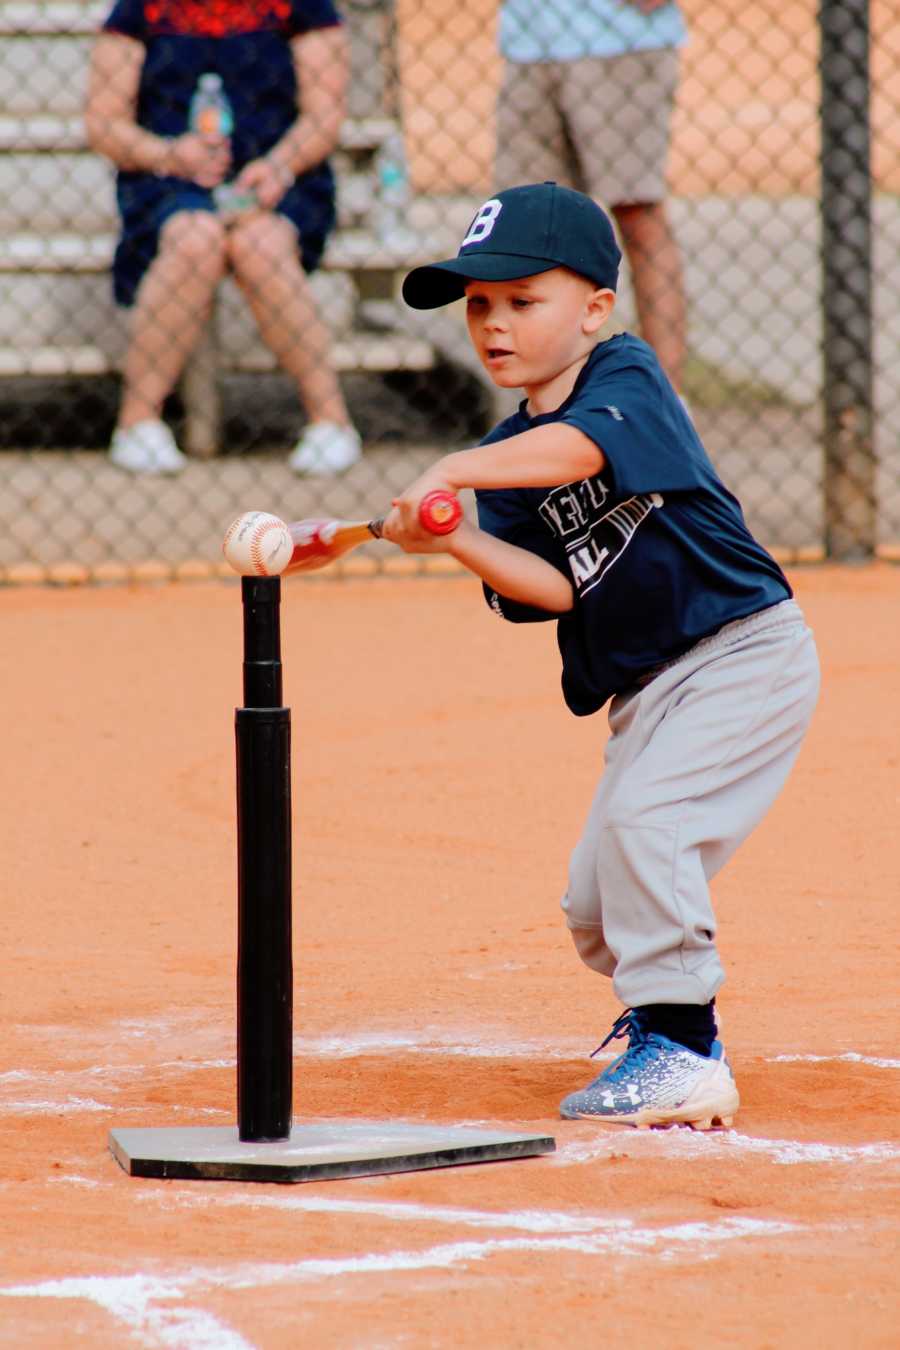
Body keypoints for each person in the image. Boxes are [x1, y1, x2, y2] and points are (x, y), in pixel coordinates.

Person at [382, 183, 820, 1128]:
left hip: (742, 650)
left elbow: (580, 454)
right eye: (479, 306)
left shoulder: (625, 380)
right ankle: (669, 1015)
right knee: (595, 903)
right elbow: (553, 588)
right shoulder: (510, 452)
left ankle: (683, 1047)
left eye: (521, 300)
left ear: (593, 309)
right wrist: (452, 536)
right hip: (646, 691)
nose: (494, 324)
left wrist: (450, 473)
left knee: (646, 828)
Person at [86, 0, 362, 476]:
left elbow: (324, 116)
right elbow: (103, 123)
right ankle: (137, 423)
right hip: (170, 180)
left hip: (281, 177)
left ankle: (330, 421)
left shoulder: (303, 7)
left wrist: (279, 166)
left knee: (261, 245)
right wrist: (170, 154)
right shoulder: (142, 9)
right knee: (196, 239)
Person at [494, 0, 688, 394]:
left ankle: (665, 403)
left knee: (637, 211)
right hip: (528, 38)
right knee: (530, 226)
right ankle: (549, 403)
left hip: (619, 37)